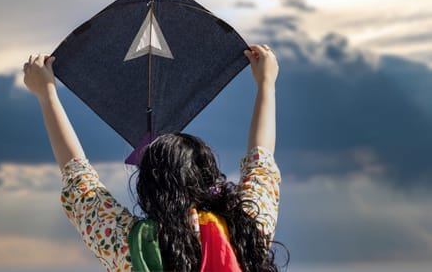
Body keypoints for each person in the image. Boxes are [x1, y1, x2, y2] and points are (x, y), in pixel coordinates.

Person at [23, 43, 284, 272]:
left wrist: (47, 94)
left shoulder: (130, 246)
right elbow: (261, 160)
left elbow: (79, 178)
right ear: (210, 177)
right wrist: (266, 84)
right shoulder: (249, 232)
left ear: (149, 187)